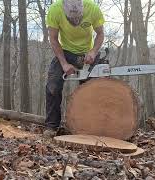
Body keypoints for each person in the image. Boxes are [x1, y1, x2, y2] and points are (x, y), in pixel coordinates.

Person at [44, 0, 105, 136]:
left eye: (78, 17)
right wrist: (64, 63)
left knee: (94, 90)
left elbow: (100, 34)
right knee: (52, 86)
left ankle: (92, 126)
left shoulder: (93, 9)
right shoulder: (55, 10)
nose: (75, 20)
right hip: (65, 52)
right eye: (71, 18)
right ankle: (51, 126)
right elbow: (53, 39)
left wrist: (93, 51)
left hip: (87, 53)